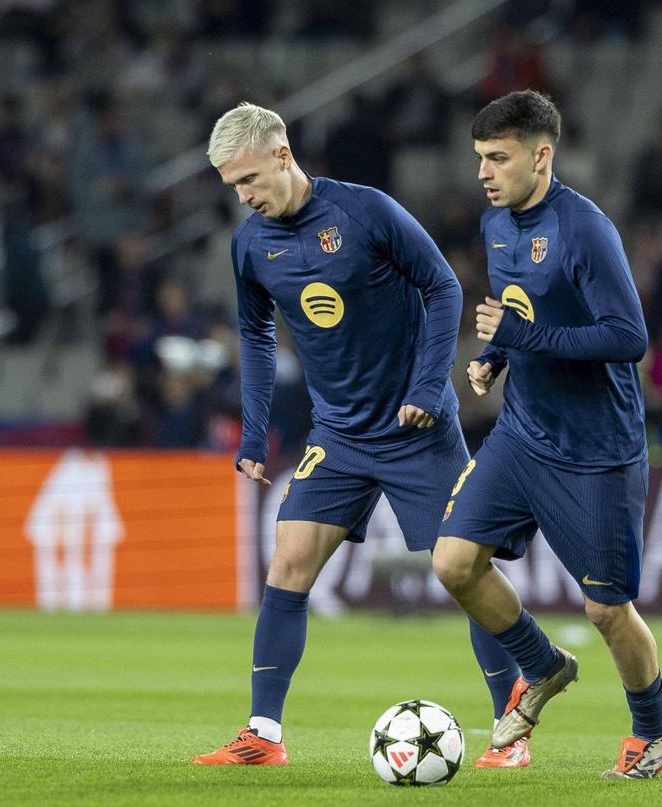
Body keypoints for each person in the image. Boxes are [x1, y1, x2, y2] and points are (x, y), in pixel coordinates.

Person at [192, 102, 526, 768]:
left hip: (415, 430)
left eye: (251, 179)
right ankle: (263, 733)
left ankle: (511, 724)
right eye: (234, 187)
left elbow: (443, 288)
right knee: (286, 563)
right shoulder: (251, 244)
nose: (246, 197)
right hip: (338, 434)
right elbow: (256, 335)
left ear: (284, 156)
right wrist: (255, 434)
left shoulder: (364, 212)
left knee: (463, 573)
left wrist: (429, 388)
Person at [433, 90, 662, 780]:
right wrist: (497, 357)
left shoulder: (584, 229)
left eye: (498, 157)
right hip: (523, 433)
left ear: (542, 156)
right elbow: (526, 312)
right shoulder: (496, 225)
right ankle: (542, 664)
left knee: (606, 608)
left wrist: (520, 335)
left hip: (597, 449)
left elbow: (628, 337)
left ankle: (654, 729)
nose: (484, 172)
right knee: (454, 561)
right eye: (480, 158)